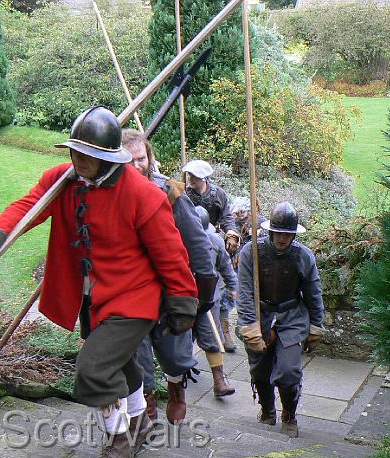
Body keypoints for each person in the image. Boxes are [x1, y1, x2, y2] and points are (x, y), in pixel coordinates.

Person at [0, 107, 199, 458]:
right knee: (122, 364)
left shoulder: (143, 195)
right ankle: (139, 422)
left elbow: (172, 254)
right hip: (91, 298)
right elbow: (26, 208)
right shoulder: (62, 180)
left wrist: (183, 304)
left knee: (93, 369)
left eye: (88, 155)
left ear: (107, 157)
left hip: (133, 298)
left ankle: (118, 442)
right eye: (75, 152)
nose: (79, 161)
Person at [121, 129, 217, 422]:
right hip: (133, 291)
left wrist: (200, 298)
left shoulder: (171, 194)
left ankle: (176, 387)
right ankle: (147, 402)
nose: (137, 166)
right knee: (137, 355)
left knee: (175, 355)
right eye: (130, 160)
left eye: (142, 158)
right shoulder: (113, 194)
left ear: (150, 158)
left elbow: (198, 245)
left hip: (170, 290)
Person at [235, 202, 325, 438]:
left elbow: (313, 292)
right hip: (260, 315)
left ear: (294, 234)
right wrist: (249, 324)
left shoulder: (303, 256)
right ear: (271, 231)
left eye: (288, 234)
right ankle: (267, 410)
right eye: (280, 233)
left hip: (291, 316)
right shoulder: (251, 252)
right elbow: (244, 291)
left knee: (288, 371)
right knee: (260, 371)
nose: (283, 239)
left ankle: (289, 414)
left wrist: (316, 325)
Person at [194, 206, 239, 396]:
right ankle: (176, 383)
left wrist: (232, 287)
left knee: (212, 339)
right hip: (181, 299)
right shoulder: (176, 240)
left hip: (208, 299)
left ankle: (219, 381)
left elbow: (226, 268)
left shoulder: (215, 242)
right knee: (177, 344)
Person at [181, 159, 240, 253]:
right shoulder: (184, 195)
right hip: (189, 237)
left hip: (212, 236)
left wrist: (232, 234)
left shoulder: (218, 194)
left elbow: (226, 217)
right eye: (190, 175)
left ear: (203, 178)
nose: (191, 179)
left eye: (195, 176)